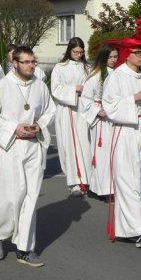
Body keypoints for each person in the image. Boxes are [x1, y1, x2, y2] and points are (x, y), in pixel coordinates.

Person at [0, 46, 56, 267]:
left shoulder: (39, 85)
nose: (31, 65)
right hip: (9, 147)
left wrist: (39, 125)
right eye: (26, 62)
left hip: (33, 147)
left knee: (31, 196)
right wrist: (13, 128)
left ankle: (25, 249)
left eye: (33, 61)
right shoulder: (2, 87)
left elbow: (49, 110)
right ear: (15, 63)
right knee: (9, 197)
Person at [102, 37, 141, 248]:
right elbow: (109, 107)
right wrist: (133, 98)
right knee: (126, 182)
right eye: (136, 52)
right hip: (124, 131)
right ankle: (140, 231)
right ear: (127, 54)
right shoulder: (116, 77)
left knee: (138, 183)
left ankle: (126, 229)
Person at [51, 37, 91, 196]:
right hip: (67, 107)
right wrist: (74, 89)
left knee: (85, 144)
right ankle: (74, 181)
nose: (78, 55)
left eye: (81, 52)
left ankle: (86, 179)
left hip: (83, 108)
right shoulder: (60, 67)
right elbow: (55, 89)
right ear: (69, 50)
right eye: (75, 52)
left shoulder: (86, 67)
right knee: (70, 144)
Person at [79, 44, 118, 199]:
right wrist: (97, 111)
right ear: (103, 58)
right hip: (101, 119)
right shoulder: (95, 76)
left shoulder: (118, 74)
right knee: (102, 155)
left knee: (114, 153)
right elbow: (85, 100)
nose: (113, 60)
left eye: (115, 56)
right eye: (110, 57)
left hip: (114, 117)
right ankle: (102, 188)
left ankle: (114, 186)